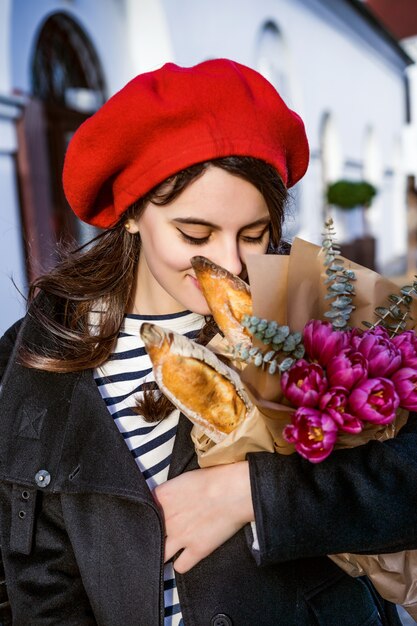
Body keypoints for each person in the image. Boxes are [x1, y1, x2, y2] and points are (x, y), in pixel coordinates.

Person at [0, 58, 415, 626]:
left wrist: (254, 493)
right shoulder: (38, 356)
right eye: (194, 233)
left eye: (254, 234)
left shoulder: (316, 302)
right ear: (130, 216)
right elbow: (41, 580)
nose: (228, 261)